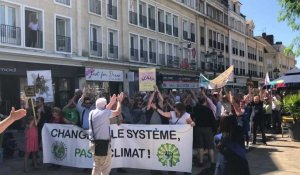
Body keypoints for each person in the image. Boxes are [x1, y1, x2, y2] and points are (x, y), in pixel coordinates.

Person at [89, 93, 124, 175]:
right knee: (105, 168)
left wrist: (111, 103)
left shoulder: (92, 113)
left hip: (93, 143)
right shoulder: (105, 113)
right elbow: (117, 112)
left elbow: (104, 110)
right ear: (104, 106)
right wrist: (119, 101)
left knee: (96, 166)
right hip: (103, 144)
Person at [193, 96, 216, 168]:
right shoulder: (209, 110)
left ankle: (201, 162)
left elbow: (193, 118)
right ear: (205, 102)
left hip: (198, 129)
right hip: (208, 129)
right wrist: (213, 130)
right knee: (210, 146)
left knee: (200, 146)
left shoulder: (196, 109)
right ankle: (212, 162)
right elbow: (213, 121)